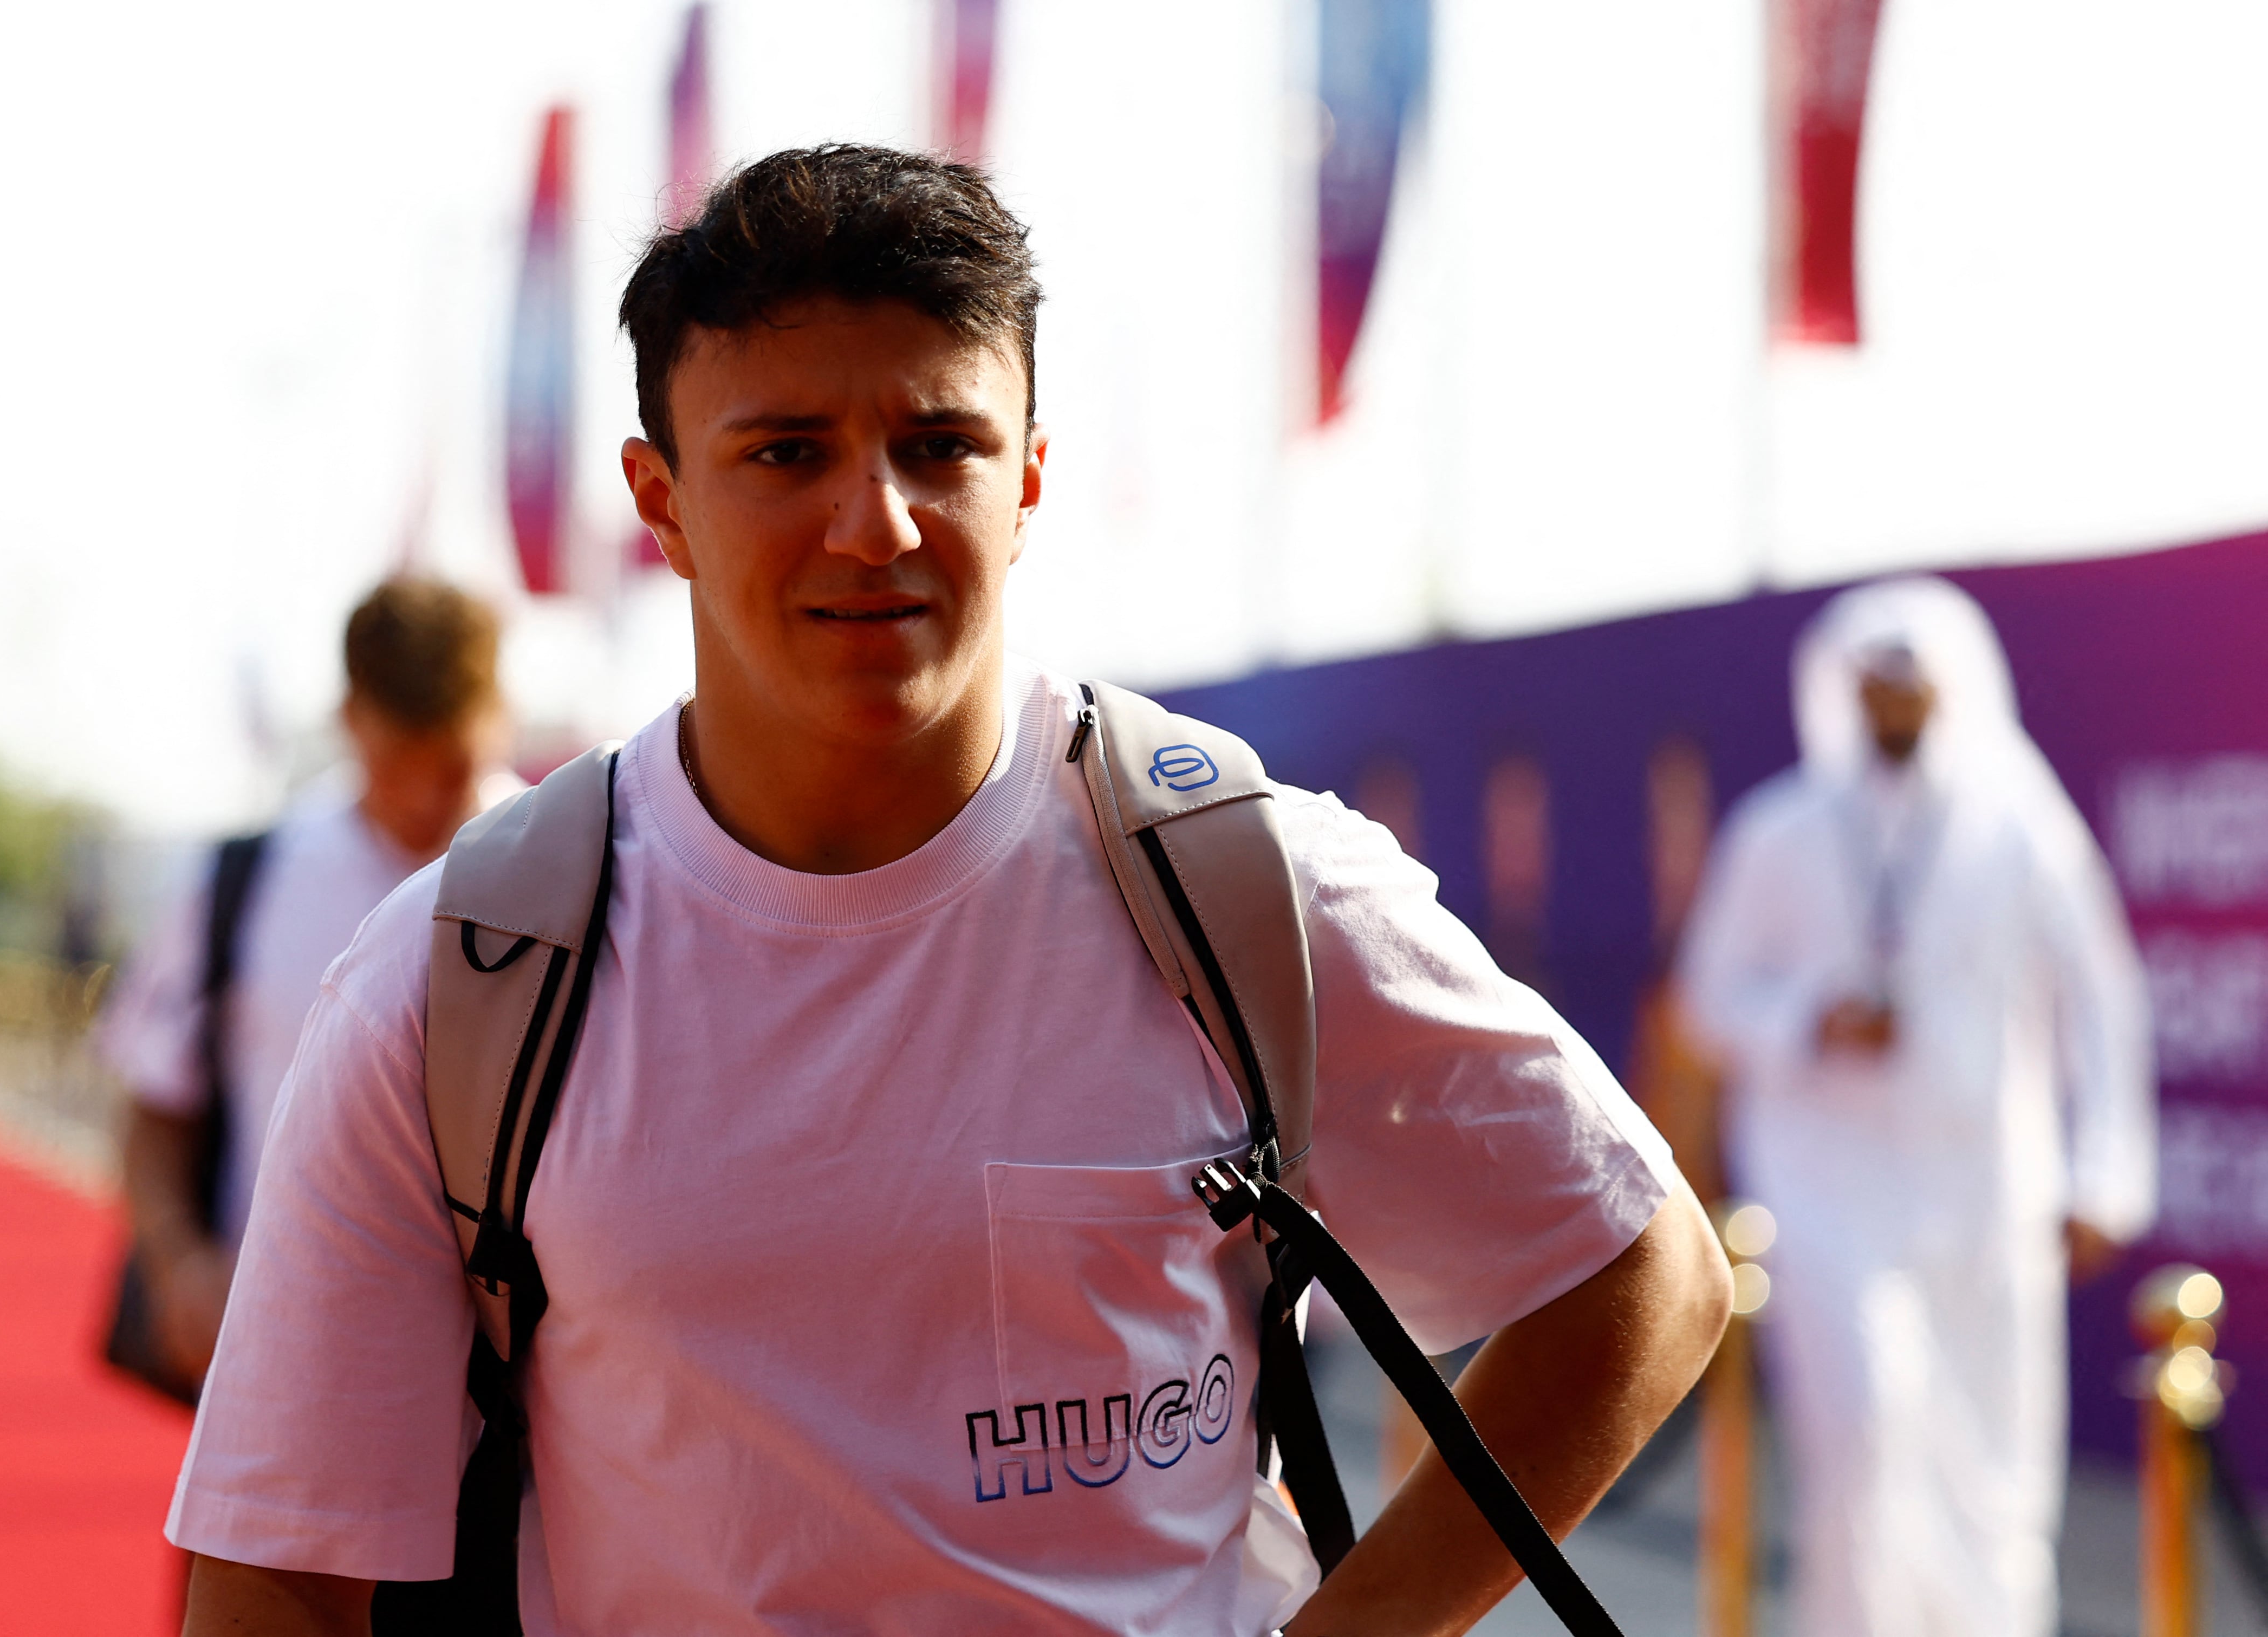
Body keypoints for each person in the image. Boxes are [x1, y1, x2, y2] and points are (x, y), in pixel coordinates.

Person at [172, 145, 1730, 1636]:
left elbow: (1645, 1270)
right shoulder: (468, 973)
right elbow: (279, 1564)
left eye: (940, 444)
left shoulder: (1238, 885)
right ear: (660, 503)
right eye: (785, 452)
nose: (877, 522)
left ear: (1030, 476)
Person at [1679, 576, 2155, 1637]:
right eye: (1874, 685)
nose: (1893, 705)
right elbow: (1708, 998)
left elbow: (2100, 1002)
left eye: (1911, 685)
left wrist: (2102, 1175)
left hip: (1985, 1184)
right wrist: (1809, 1017)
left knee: (1993, 1452)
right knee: (1862, 1429)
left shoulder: (2021, 829)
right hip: (1824, 1183)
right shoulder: (1780, 828)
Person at [101, 577, 511, 1392]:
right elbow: (154, 1107)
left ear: (500, 716)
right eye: (401, 764)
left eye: (455, 762)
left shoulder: (572, 876)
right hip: (281, 1368)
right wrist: (181, 1258)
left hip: (505, 1394)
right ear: (349, 722)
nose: (430, 796)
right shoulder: (246, 879)